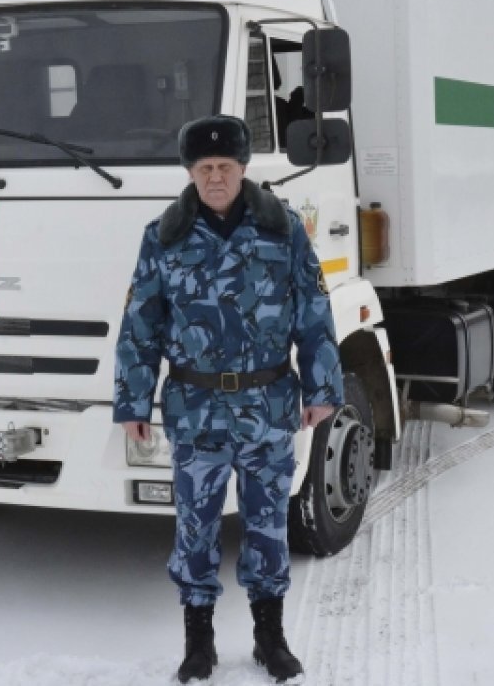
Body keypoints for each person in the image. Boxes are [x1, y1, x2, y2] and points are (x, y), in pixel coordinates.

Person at [114, 114, 344, 684]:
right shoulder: (162, 236)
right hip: (196, 410)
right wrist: (133, 402)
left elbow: (314, 315)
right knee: (195, 526)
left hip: (268, 405)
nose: (215, 177)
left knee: (267, 523)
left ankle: (270, 637)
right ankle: (199, 641)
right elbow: (140, 324)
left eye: (224, 167)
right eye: (204, 168)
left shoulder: (283, 229)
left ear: (243, 169)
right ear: (191, 173)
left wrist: (322, 386)